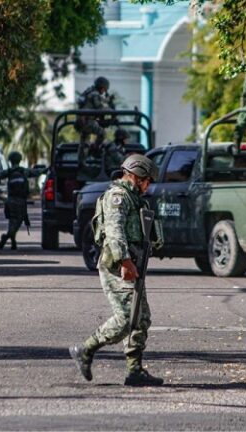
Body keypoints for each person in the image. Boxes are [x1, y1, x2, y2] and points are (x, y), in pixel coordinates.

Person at [69, 154, 165, 387]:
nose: (148, 185)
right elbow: (114, 232)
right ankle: (85, 349)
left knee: (140, 318)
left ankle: (134, 370)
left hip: (134, 263)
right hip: (117, 266)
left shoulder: (136, 199)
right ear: (136, 174)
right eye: (147, 180)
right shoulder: (118, 197)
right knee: (125, 319)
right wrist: (125, 262)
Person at [0, 151, 35, 250]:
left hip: (10, 201)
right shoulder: (24, 171)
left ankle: (13, 242)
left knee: (12, 221)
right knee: (17, 222)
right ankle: (6, 237)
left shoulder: (8, 172)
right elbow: (35, 172)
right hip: (20, 202)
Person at [76, 76, 115, 163]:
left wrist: (107, 100)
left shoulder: (89, 92)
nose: (104, 92)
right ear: (101, 87)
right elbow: (100, 108)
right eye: (104, 89)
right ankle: (95, 151)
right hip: (87, 121)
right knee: (102, 133)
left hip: (81, 121)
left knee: (84, 143)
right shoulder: (94, 94)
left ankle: (81, 163)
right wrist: (112, 111)